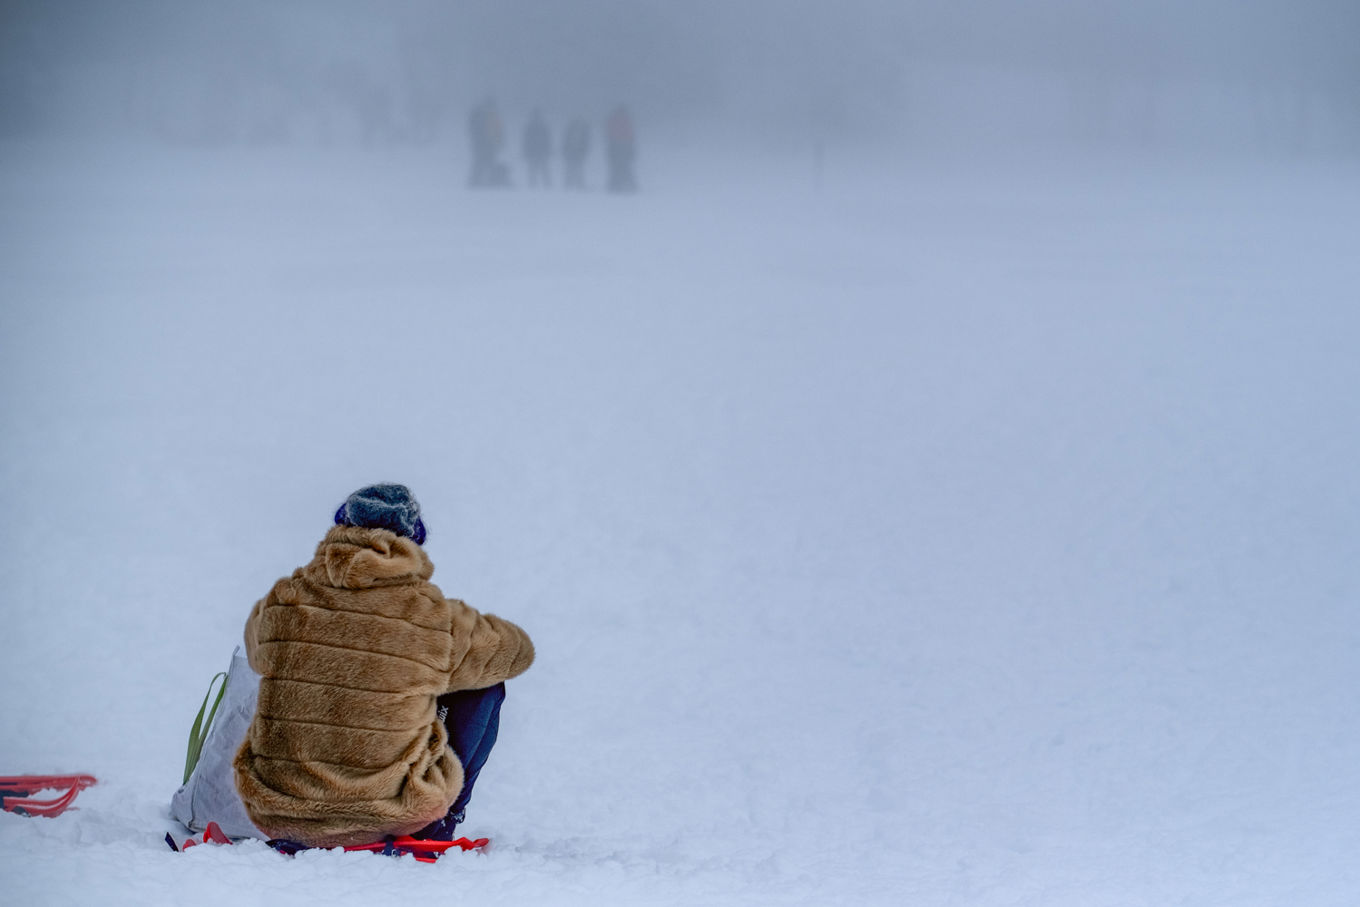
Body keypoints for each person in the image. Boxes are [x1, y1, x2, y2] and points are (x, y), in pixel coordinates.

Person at [233, 484, 534, 848]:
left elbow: (255, 654)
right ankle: (442, 821)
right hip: (387, 816)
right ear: (414, 539)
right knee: (484, 685)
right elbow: (518, 651)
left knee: (296, 669)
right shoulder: (430, 616)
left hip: (279, 812)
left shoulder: (282, 599)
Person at [468, 97, 509, 188]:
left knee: (489, 162)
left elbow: (498, 131)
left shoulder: (493, 116)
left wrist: (500, 141)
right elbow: (475, 131)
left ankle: (489, 181)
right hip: (482, 144)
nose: (491, 108)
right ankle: (475, 181)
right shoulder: (480, 116)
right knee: (480, 162)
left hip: (490, 144)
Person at [605, 105, 637, 193]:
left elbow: (609, 133)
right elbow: (630, 135)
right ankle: (627, 184)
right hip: (623, 145)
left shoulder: (613, 119)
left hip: (616, 145)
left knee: (617, 166)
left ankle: (616, 184)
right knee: (624, 166)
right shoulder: (626, 120)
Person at [522, 109, 552, 188]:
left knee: (544, 170)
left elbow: (547, 140)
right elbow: (526, 141)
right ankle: (532, 186)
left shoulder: (543, 127)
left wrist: (548, 150)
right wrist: (526, 151)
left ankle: (547, 186)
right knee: (533, 171)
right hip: (533, 152)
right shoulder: (530, 127)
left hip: (541, 152)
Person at [561, 117, 590, 190]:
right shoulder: (571, 131)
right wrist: (565, 151)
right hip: (571, 152)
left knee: (578, 168)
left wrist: (584, 151)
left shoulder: (583, 132)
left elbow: (585, 143)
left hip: (578, 152)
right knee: (570, 168)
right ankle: (568, 184)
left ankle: (579, 184)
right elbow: (566, 142)